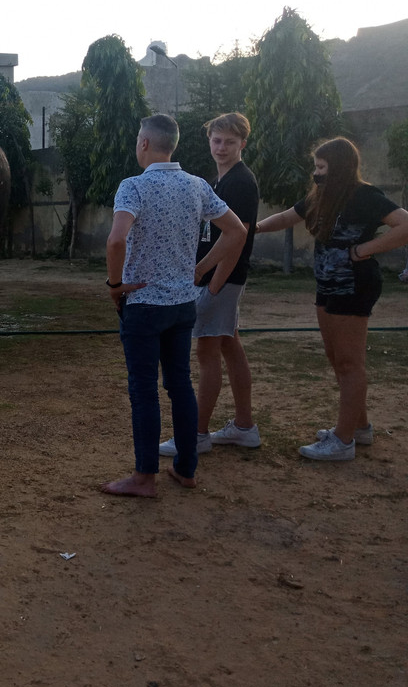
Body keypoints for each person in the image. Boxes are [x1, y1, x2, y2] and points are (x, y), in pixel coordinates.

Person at [102, 114, 246, 498]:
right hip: (184, 304)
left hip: (144, 305)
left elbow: (116, 242)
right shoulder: (197, 186)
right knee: (180, 384)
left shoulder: (133, 187)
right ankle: (186, 469)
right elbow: (238, 231)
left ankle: (144, 477)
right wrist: (197, 270)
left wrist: (115, 286)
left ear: (144, 143)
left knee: (144, 390)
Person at [256, 137, 408, 460]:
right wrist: (251, 229)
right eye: (316, 167)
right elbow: (286, 217)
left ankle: (343, 441)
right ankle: (359, 428)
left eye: (322, 167)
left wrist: (361, 250)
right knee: (335, 356)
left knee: (350, 362)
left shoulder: (366, 196)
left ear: (339, 168)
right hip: (326, 285)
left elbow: (405, 225)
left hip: (354, 285)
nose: (316, 173)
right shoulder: (321, 196)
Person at [159, 113, 261, 459]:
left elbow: (237, 237)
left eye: (230, 142)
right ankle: (244, 427)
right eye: (216, 140)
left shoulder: (240, 182)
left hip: (221, 278)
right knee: (230, 347)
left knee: (206, 354)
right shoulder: (224, 180)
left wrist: (211, 281)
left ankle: (196, 434)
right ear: (209, 141)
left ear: (242, 144)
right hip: (219, 277)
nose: (221, 148)